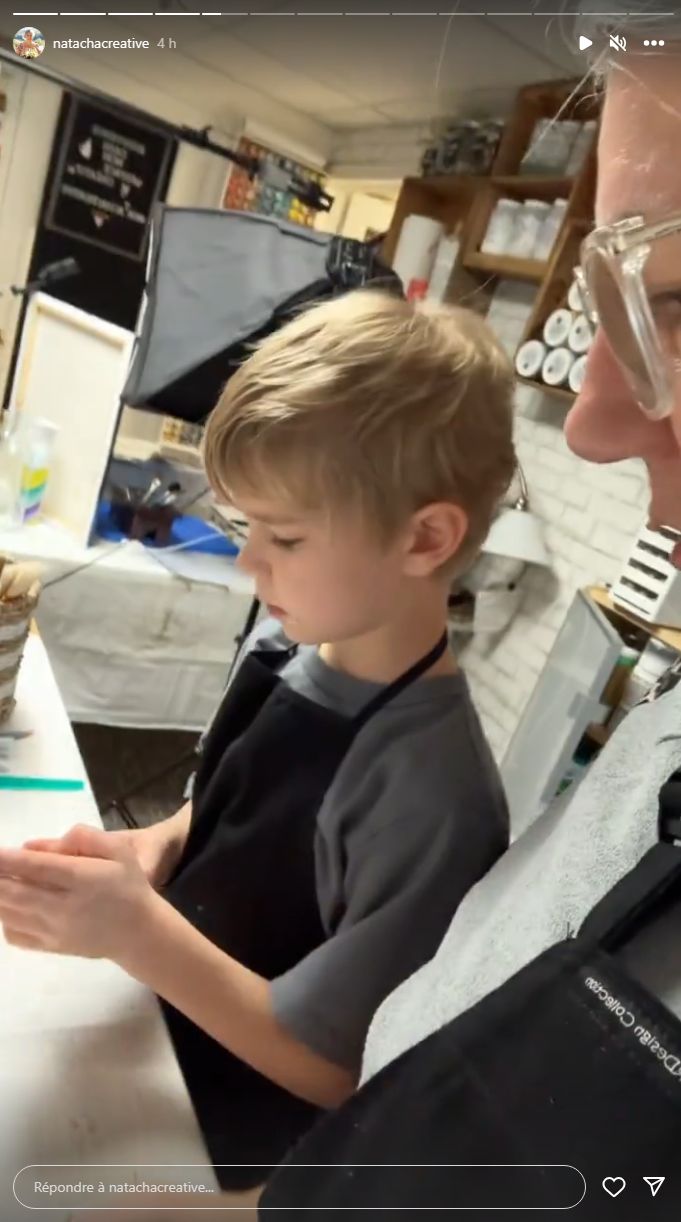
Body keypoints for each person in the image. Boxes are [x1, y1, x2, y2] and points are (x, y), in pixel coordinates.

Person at [0, 290, 513, 1199]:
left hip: (223, 1141)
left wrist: (131, 928)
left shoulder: (434, 795)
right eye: (246, 527)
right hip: (148, 1044)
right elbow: (236, 797)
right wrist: (156, 847)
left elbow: (337, 1065)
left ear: (424, 537)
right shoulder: (286, 642)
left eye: (283, 535)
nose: (247, 563)